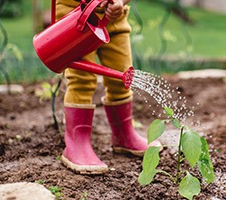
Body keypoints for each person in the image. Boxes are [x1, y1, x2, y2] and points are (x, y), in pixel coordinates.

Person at [55, 0, 161, 174]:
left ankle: (124, 135)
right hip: (76, 15)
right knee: (82, 80)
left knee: (122, 76)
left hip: (114, 17)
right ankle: (76, 144)